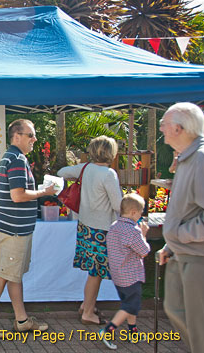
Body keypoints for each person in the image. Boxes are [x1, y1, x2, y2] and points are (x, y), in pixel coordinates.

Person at [0, 119, 55, 337]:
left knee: (13, 275)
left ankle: (22, 320)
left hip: (14, 227)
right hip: (15, 229)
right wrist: (44, 192)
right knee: (3, 274)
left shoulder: (11, 157)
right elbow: (18, 195)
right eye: (30, 135)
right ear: (16, 136)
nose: (34, 139)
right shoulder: (17, 159)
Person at [157, 102, 204, 352]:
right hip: (183, 253)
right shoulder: (189, 158)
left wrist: (179, 235)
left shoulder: (201, 159)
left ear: (179, 128)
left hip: (198, 258)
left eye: (164, 123)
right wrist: (171, 243)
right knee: (176, 310)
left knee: (199, 327)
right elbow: (189, 210)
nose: (161, 128)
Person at [57, 135, 122, 325]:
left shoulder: (84, 169)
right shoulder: (109, 174)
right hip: (102, 229)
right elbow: (118, 204)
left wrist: (75, 176)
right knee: (96, 273)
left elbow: (61, 172)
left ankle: (87, 305)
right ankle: (87, 312)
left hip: (85, 226)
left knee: (93, 272)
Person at [100, 193, 150, 350]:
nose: (141, 216)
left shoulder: (114, 226)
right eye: (141, 212)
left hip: (118, 274)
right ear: (134, 212)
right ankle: (108, 330)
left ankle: (133, 333)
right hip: (131, 275)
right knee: (131, 305)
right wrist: (144, 235)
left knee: (128, 303)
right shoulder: (133, 231)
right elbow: (144, 251)